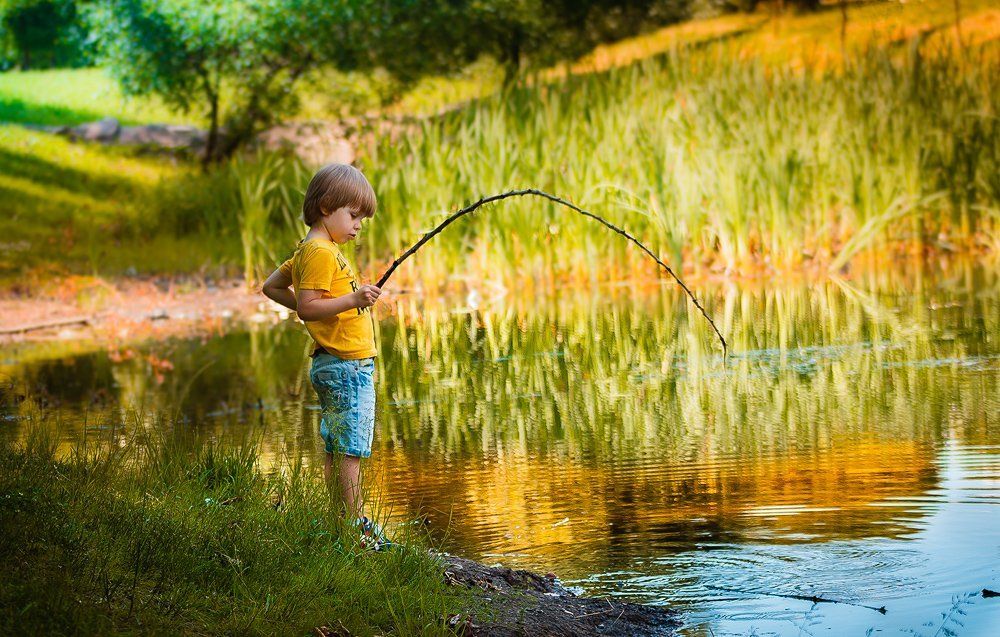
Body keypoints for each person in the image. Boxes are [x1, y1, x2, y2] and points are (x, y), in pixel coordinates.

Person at [261, 163, 389, 549]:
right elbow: (308, 308)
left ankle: (340, 524)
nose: (358, 226)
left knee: (338, 446)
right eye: (353, 216)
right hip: (347, 366)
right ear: (325, 208)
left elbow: (271, 287)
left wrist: (318, 305)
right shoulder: (319, 251)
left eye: (362, 219)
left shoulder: (312, 250)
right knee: (351, 448)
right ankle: (356, 528)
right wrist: (352, 299)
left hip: (333, 362)